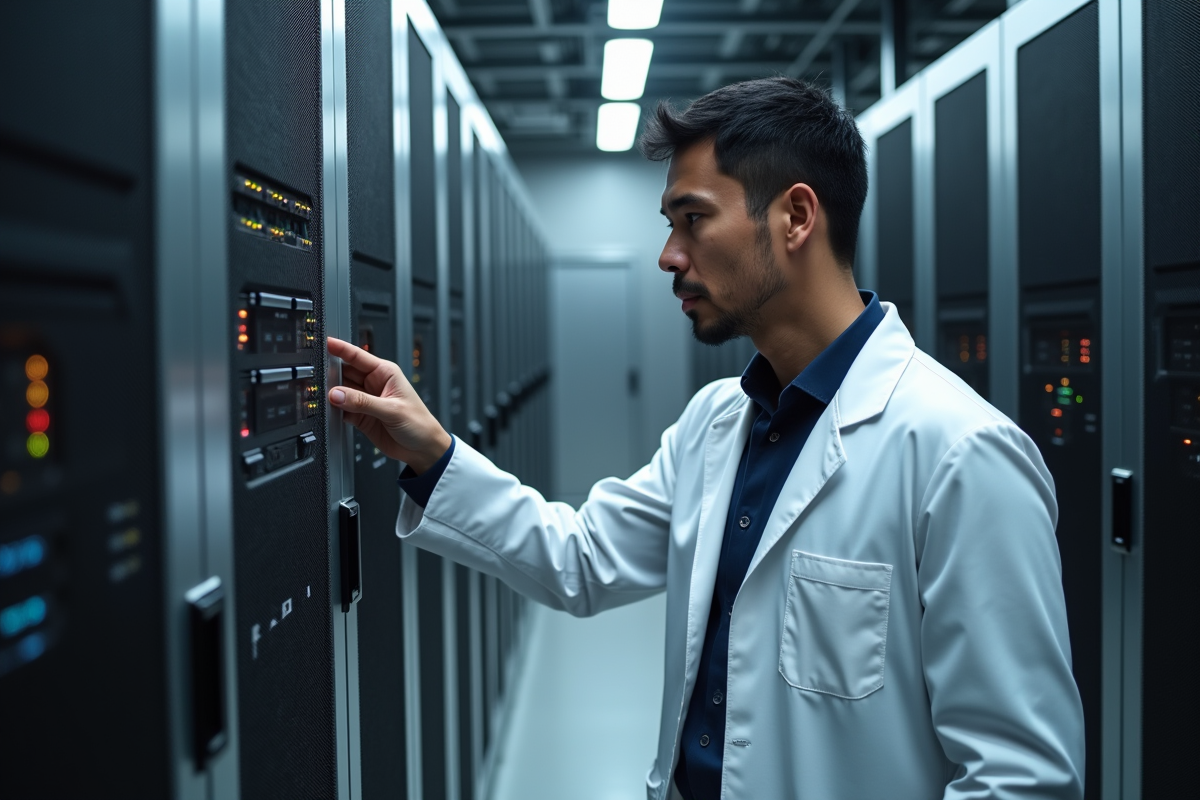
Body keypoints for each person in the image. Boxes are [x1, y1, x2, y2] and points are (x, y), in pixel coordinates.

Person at [326, 77, 1084, 800]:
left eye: (692, 220)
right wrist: (431, 453)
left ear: (795, 217)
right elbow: (583, 559)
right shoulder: (717, 422)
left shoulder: (959, 454)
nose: (669, 256)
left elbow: (1021, 775)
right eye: (670, 226)